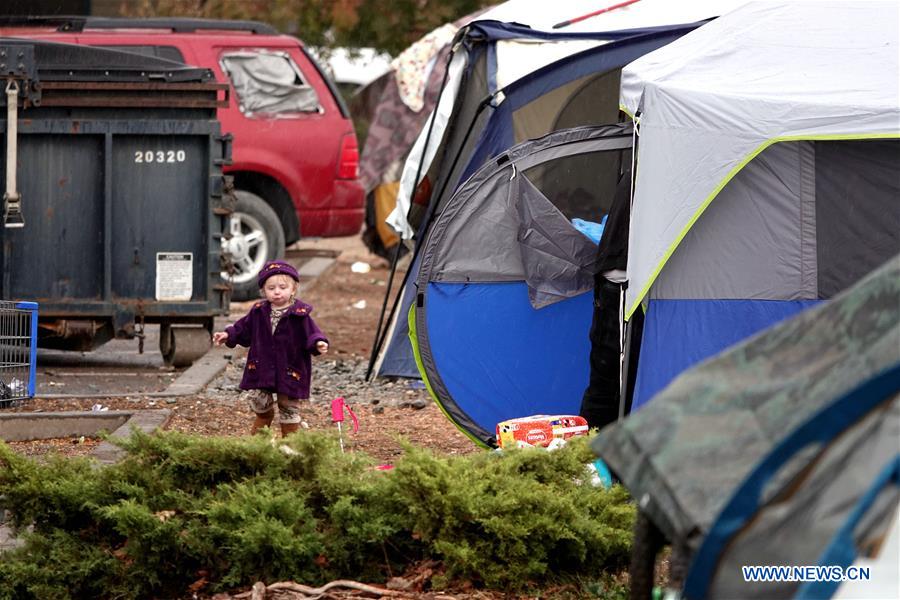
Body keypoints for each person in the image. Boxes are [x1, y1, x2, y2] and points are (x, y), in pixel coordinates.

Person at [213, 260, 329, 437]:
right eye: (271, 288)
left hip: (290, 367)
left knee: (288, 406)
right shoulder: (259, 311)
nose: (277, 292)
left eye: (282, 287)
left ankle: (290, 443)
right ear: (263, 291)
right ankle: (261, 436)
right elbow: (243, 328)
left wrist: (318, 343)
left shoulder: (300, 315)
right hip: (262, 367)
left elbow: (312, 333)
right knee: (259, 401)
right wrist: (229, 335)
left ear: (293, 289)